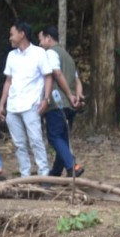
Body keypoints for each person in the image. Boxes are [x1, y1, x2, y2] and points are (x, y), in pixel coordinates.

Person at [0, 21, 54, 178]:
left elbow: (48, 77)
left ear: (22, 34)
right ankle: (25, 174)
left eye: (12, 34)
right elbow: (8, 81)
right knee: (19, 144)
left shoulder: (39, 53)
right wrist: (2, 104)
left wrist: (46, 99)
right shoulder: (11, 56)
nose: (10, 38)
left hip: (31, 105)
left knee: (36, 140)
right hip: (13, 107)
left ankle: (43, 174)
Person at [37, 26, 85, 178]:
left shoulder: (50, 53)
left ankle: (72, 165)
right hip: (70, 106)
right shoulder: (68, 56)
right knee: (62, 138)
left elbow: (56, 73)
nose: (39, 44)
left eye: (41, 40)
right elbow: (77, 79)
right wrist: (78, 96)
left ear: (48, 38)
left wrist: (70, 95)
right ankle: (56, 171)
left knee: (54, 136)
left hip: (58, 103)